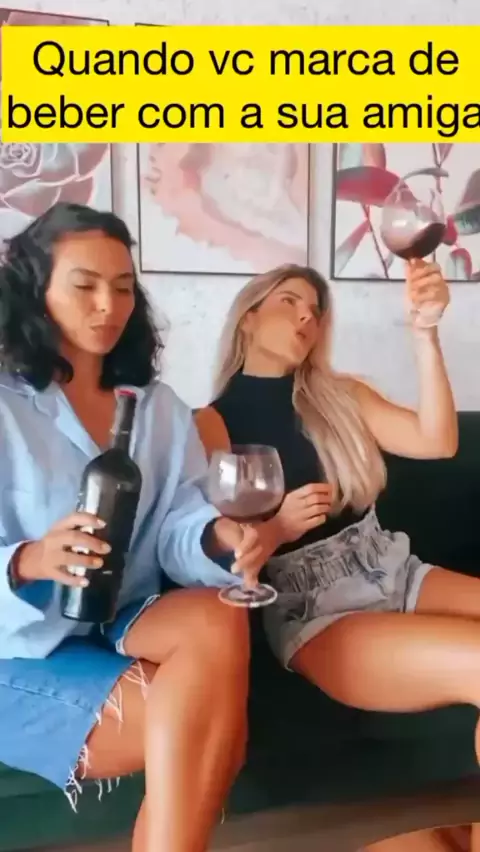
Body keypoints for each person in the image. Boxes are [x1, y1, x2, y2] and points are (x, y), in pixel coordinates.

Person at [0, 202, 264, 852]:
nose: (107, 306)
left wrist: (218, 537)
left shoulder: (158, 409)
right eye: (84, 285)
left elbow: (180, 523)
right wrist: (29, 559)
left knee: (221, 615)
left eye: (122, 287)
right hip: (20, 643)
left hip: (120, 619)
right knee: (212, 732)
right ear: (36, 290)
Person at [196, 261, 480, 758]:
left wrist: (425, 333)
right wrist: (279, 527)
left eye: (316, 310)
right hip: (314, 608)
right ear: (248, 318)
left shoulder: (342, 396)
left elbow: (438, 442)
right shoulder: (209, 424)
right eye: (289, 302)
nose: (307, 316)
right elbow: (220, 554)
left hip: (393, 568)